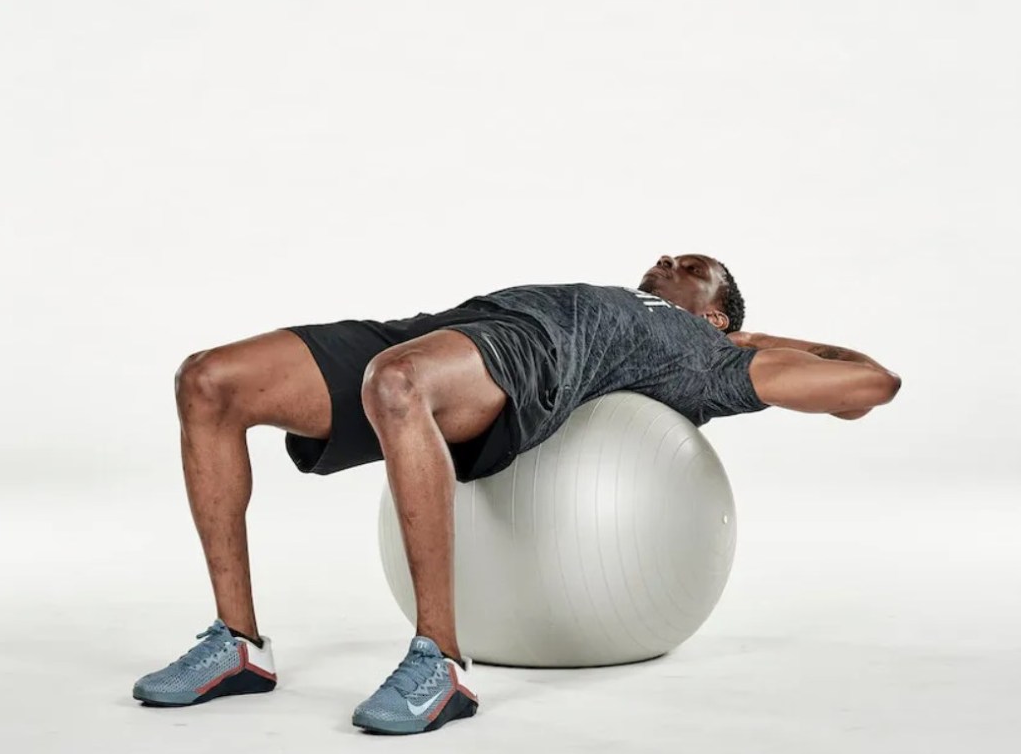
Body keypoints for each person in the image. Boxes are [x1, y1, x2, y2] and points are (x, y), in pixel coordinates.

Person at [132, 254, 901, 734]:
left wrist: (751, 342)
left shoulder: (711, 357)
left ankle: (441, 663)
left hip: (528, 361)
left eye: (689, 262)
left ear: (714, 312)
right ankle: (237, 645)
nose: (664, 256)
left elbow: (870, 384)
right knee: (208, 380)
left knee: (397, 382)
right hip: (454, 326)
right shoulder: (637, 300)